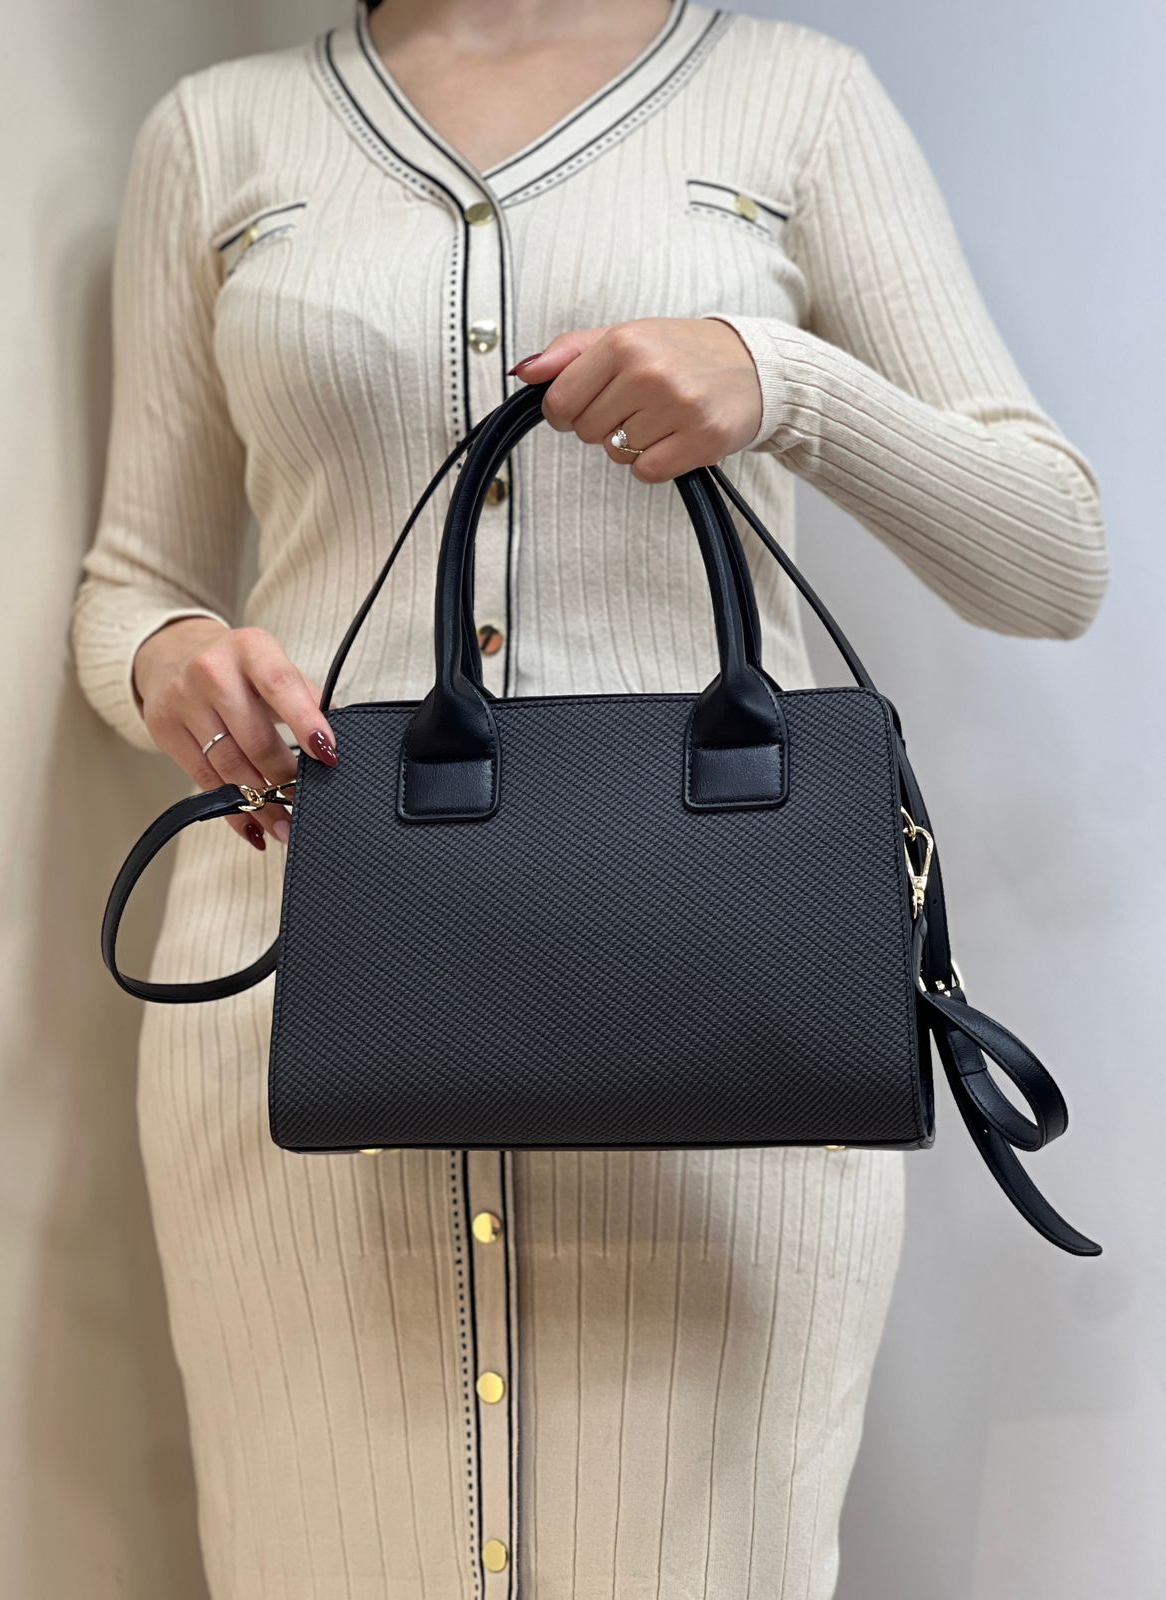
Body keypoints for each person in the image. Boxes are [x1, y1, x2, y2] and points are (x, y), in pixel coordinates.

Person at [70, 1, 1109, 1595]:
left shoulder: (798, 102)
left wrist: (781, 381)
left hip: (731, 1043)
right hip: (303, 1000)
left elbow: (1052, 559)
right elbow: (131, 578)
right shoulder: (216, 133)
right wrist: (169, 659)